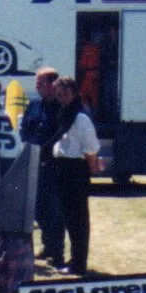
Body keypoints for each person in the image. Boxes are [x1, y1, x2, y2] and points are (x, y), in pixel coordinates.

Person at [50, 75, 101, 276]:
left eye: (64, 94)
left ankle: (78, 263)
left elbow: (91, 148)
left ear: (74, 93)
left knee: (78, 220)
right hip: (63, 168)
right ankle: (74, 260)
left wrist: (87, 169)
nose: (61, 98)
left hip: (75, 170)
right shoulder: (64, 113)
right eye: (58, 95)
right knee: (69, 219)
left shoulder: (80, 117)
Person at [18, 67, 65, 265]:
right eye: (37, 83)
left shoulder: (61, 108)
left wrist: (44, 151)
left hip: (52, 164)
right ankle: (46, 246)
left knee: (53, 209)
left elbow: (59, 135)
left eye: (41, 83)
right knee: (37, 207)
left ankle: (57, 252)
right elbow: (25, 129)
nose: (37, 87)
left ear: (53, 84)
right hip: (33, 161)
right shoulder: (34, 105)